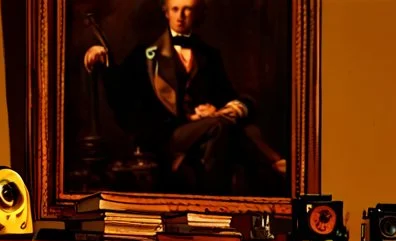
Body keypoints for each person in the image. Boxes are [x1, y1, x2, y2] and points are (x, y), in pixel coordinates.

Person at [84, 0, 287, 195]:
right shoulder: (147, 55)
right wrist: (104, 56)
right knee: (219, 125)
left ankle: (214, 200)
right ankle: (274, 162)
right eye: (175, 9)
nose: (180, 16)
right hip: (167, 135)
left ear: (197, 14)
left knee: (231, 127)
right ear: (166, 12)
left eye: (187, 9)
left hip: (208, 129)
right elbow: (122, 91)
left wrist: (221, 109)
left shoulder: (209, 55)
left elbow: (227, 95)